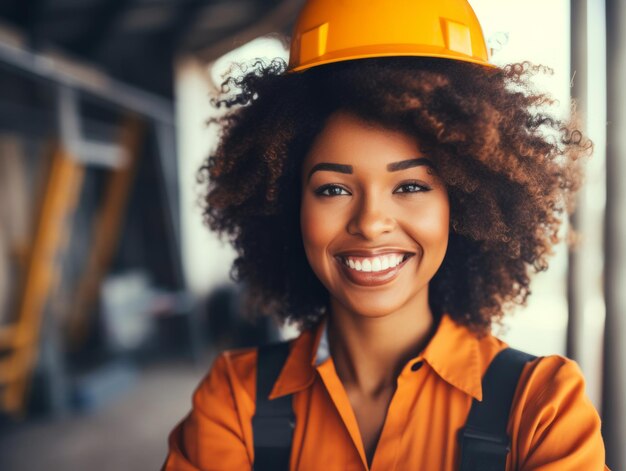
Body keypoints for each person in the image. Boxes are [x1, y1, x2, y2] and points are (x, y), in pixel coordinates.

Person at [162, 0, 608, 469]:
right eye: (333, 188)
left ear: (463, 203)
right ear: (286, 205)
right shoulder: (234, 400)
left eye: (410, 186)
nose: (371, 222)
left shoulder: (541, 409)